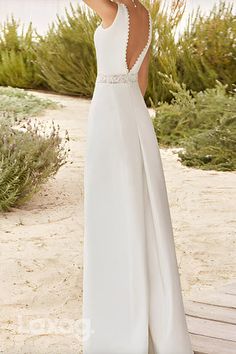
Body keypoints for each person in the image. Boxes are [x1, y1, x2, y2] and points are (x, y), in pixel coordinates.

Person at [82, 1, 194, 353]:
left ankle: (120, 325)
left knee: (111, 212)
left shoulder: (112, 11)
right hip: (134, 109)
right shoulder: (144, 12)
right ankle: (154, 319)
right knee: (144, 210)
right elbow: (142, 81)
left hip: (109, 110)